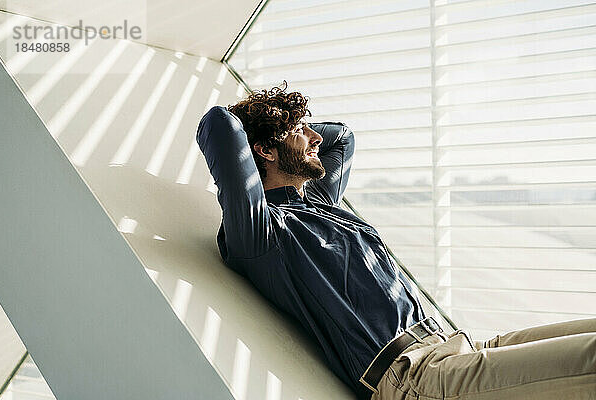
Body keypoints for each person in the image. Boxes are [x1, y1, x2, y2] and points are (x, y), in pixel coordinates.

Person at [196, 83, 596, 400]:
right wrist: (265, 119)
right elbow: (219, 125)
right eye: (300, 131)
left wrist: (291, 125)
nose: (315, 137)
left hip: (456, 346)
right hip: (416, 379)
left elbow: (343, 138)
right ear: (263, 150)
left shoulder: (320, 203)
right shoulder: (261, 233)